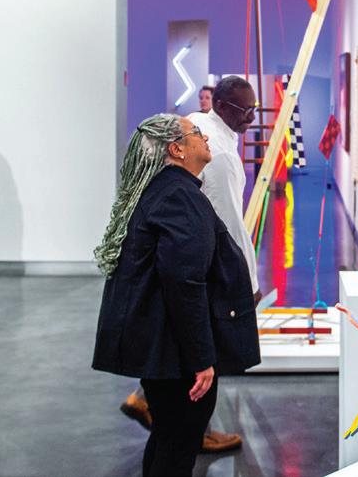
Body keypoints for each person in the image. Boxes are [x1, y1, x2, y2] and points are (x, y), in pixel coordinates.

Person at [93, 114, 260, 477]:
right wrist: (201, 359)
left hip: (164, 346)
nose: (205, 138)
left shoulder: (165, 191)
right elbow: (184, 283)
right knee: (178, 442)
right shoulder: (180, 198)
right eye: (196, 133)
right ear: (177, 149)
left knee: (168, 437)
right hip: (174, 354)